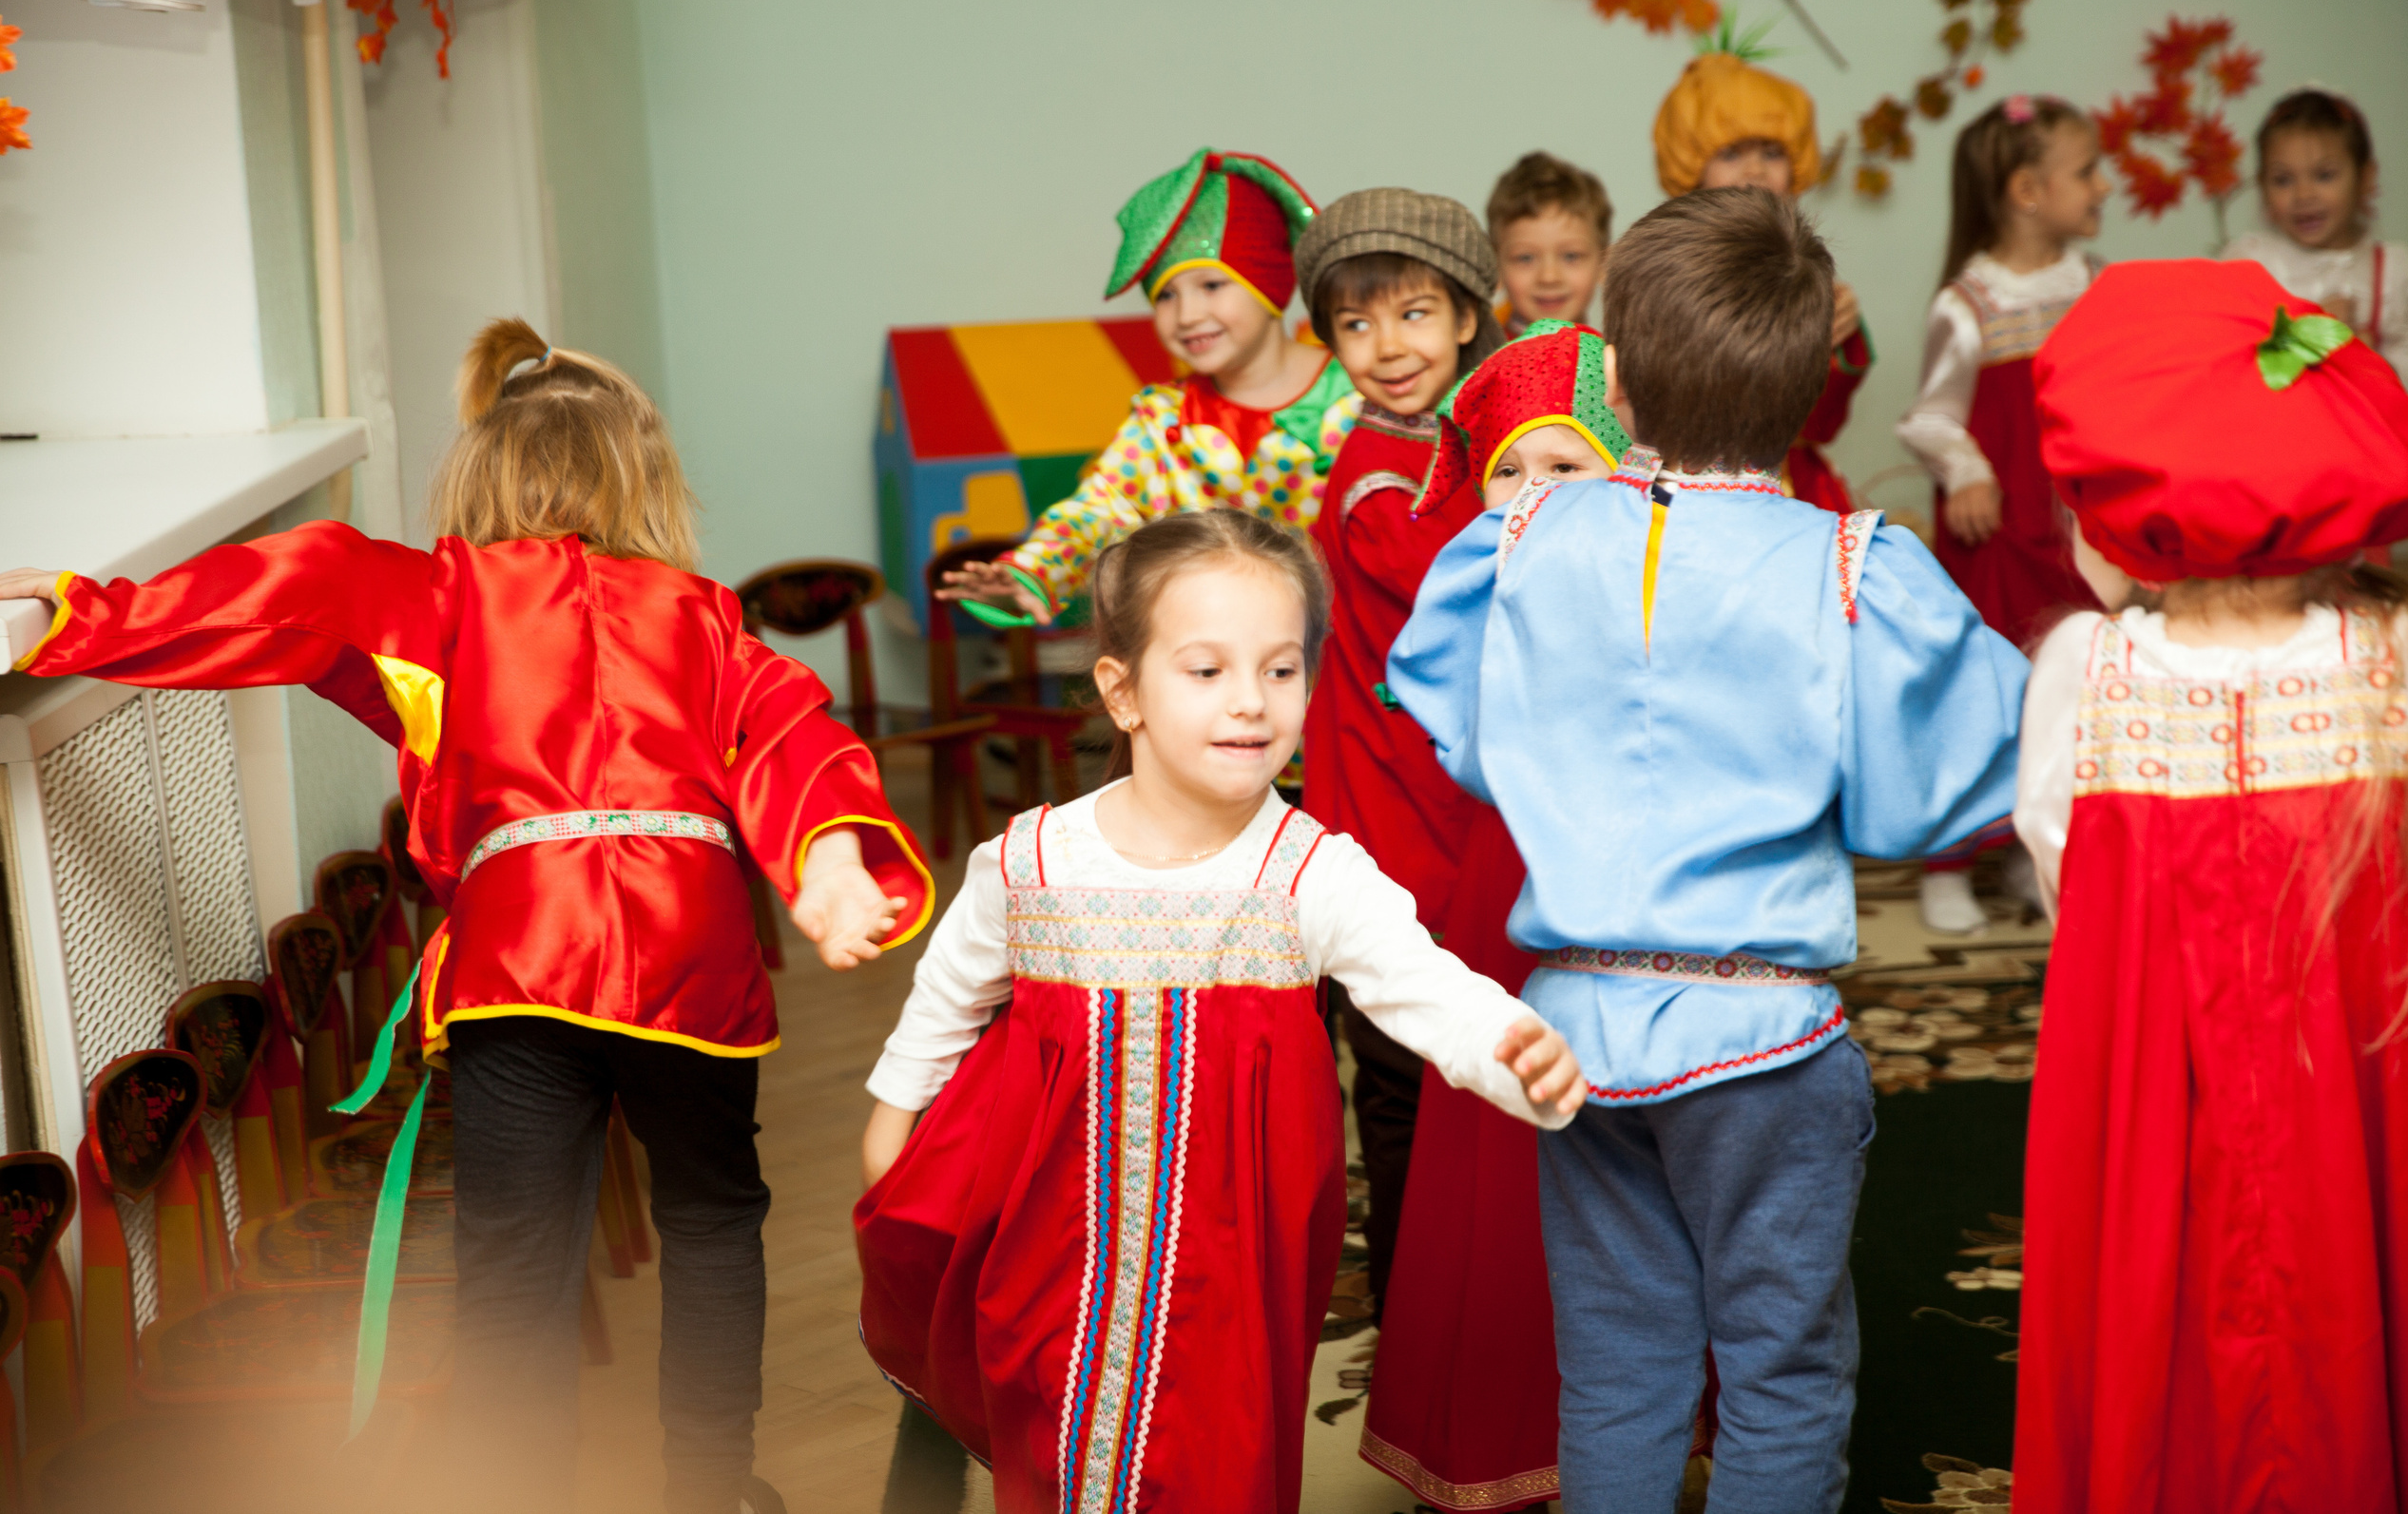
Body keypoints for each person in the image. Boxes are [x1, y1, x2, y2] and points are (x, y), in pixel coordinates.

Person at [0, 321, 932, 1514]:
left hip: (521, 963)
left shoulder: (439, 598)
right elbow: (792, 726)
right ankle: (710, 1489)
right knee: (713, 1215)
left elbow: (293, 585)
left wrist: (93, 614)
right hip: (690, 949)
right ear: (642, 481)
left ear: (479, 476)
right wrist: (830, 852)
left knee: (514, 1262)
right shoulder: (703, 616)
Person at [1390, 187, 2026, 1514]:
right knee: (1782, 1366)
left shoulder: (1515, 533)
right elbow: (1947, 789)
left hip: (1571, 1031)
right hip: (1765, 1038)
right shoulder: (1851, 562)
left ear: (1614, 372)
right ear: (1809, 387)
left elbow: (1456, 726)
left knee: (1617, 1366)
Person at [853, 508, 1587, 1514]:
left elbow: (1429, 989)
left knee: (1216, 1466)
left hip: (1234, 1272)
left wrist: (1517, 1050)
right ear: (1123, 691)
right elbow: (946, 998)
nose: (1251, 703)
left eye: (1280, 671)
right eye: (1207, 671)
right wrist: (894, 1123)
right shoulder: (1033, 861)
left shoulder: (1309, 874)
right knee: (1055, 1447)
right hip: (1047, 1249)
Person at [2013, 258, 2408, 1512]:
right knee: (2350, 1306)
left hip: (2144, 1094)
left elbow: (2060, 870)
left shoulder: (2088, 668)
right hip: (2361, 1094)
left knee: (2160, 1298)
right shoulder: (2395, 655)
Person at [1361, 319, 1637, 1514]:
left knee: (1633, 1149)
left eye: (1562, 467)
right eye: (1505, 473)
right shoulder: (1469, 592)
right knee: (1506, 1145)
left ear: (1623, 476)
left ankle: (1646, 1417)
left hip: (1627, 893)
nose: (1527, 497)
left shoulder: (1658, 581)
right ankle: (1505, 1433)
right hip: (1509, 892)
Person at [1293, 187, 1503, 1327]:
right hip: (1386, 813)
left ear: (1469, 316)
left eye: (1415, 314)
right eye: (1356, 327)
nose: (1388, 348)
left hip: (1437, 796)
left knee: (1449, 1043)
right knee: (1401, 1062)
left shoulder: (1460, 441)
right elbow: (1461, 594)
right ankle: (1414, 1280)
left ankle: (1459, 1254)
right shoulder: (1382, 476)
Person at [938, 147, 1358, 626]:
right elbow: (1098, 509)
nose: (1188, 315)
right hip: (1217, 668)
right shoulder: (1164, 424)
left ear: (1269, 285)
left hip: (1355, 662)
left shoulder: (1363, 398)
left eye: (1212, 286)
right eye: (1165, 295)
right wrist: (1034, 572)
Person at [1897, 94, 2110, 933]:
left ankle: (2036, 851)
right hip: (1997, 536)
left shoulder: (2093, 283)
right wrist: (1968, 470)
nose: (2103, 186)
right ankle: (1948, 856)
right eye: (2087, 169)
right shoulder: (1970, 302)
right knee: (1980, 692)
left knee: (2071, 688)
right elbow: (1930, 414)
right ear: (2028, 190)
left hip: (2079, 532)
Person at [1650, 48, 1872, 510]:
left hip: (1795, 489)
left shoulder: (1805, 271)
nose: (1755, 171)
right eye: (1731, 153)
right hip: (1693, 486)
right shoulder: (1665, 273)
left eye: (1771, 153)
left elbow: (1820, 422)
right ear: (1691, 170)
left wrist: (1833, 338)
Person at [2222, 87, 2408, 403]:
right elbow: (2228, 371)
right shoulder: (2251, 265)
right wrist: (2298, 337)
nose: (2304, 195)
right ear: (2262, 187)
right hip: (2280, 442)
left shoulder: (2391, 273)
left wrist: (2368, 361)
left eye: (2324, 175)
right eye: (2283, 180)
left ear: (2366, 178)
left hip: (2361, 447)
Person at [1487, 151, 1613, 335]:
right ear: (1494, 267)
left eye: (1571, 256)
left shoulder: (1613, 357)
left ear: (1605, 263)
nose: (1549, 277)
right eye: (1525, 258)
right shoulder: (1484, 360)